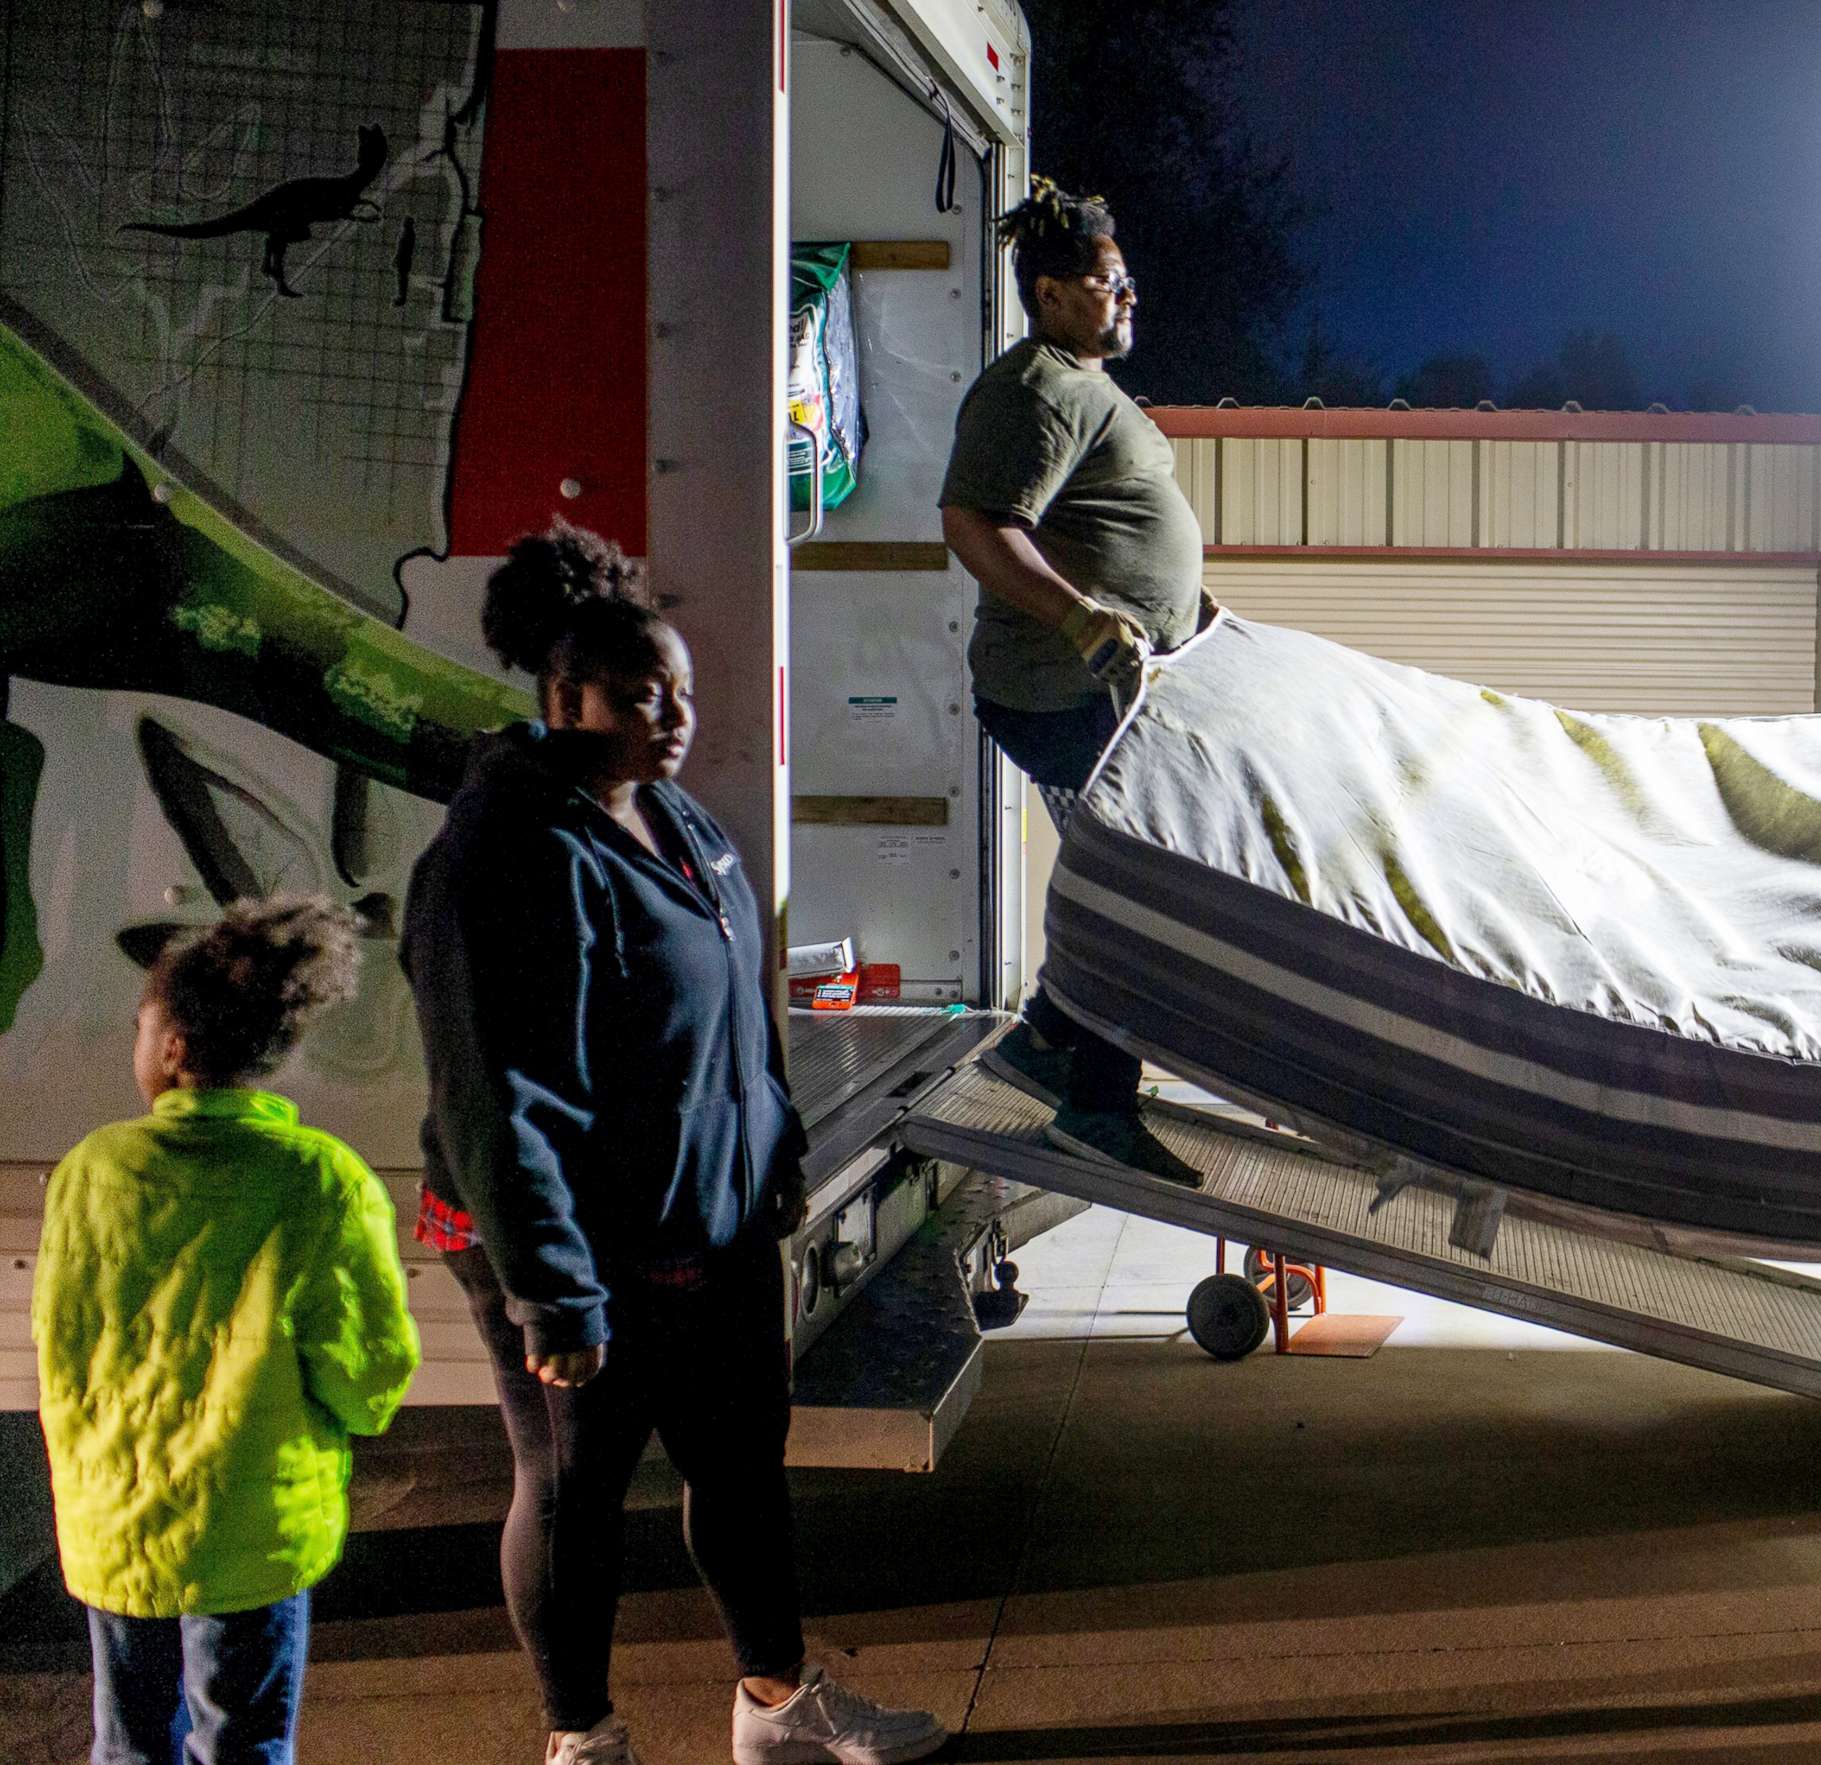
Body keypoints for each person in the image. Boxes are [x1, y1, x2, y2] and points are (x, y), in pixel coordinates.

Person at [399, 523, 945, 1765]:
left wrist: (777, 1150)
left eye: (684, 694)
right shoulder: (505, 852)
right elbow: (497, 1094)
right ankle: (581, 1737)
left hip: (708, 1222)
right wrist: (553, 1291)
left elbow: (733, 1013)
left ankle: (776, 1708)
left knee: (742, 1470)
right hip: (579, 1247)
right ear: (563, 697)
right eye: (647, 696)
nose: (675, 717)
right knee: (573, 1490)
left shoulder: (679, 823)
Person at [33, 896, 419, 1765]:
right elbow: (369, 1371)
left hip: (115, 1516)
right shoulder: (320, 1179)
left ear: (171, 1049)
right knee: (242, 1741)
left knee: (128, 1740)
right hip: (252, 1529)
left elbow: (59, 1338)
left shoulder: (91, 1170)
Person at [939, 176, 1207, 1188]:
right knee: (1145, 879)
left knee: (1138, 870)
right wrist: (1081, 614)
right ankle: (1096, 1103)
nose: (1126, 294)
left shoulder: (1082, 384)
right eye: (1106, 281)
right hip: (1061, 684)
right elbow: (977, 522)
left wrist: (1191, 611)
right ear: (1051, 294)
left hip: (1105, 682)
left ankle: (1047, 1037)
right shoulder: (1034, 388)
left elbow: (1111, 524)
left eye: (1125, 278)